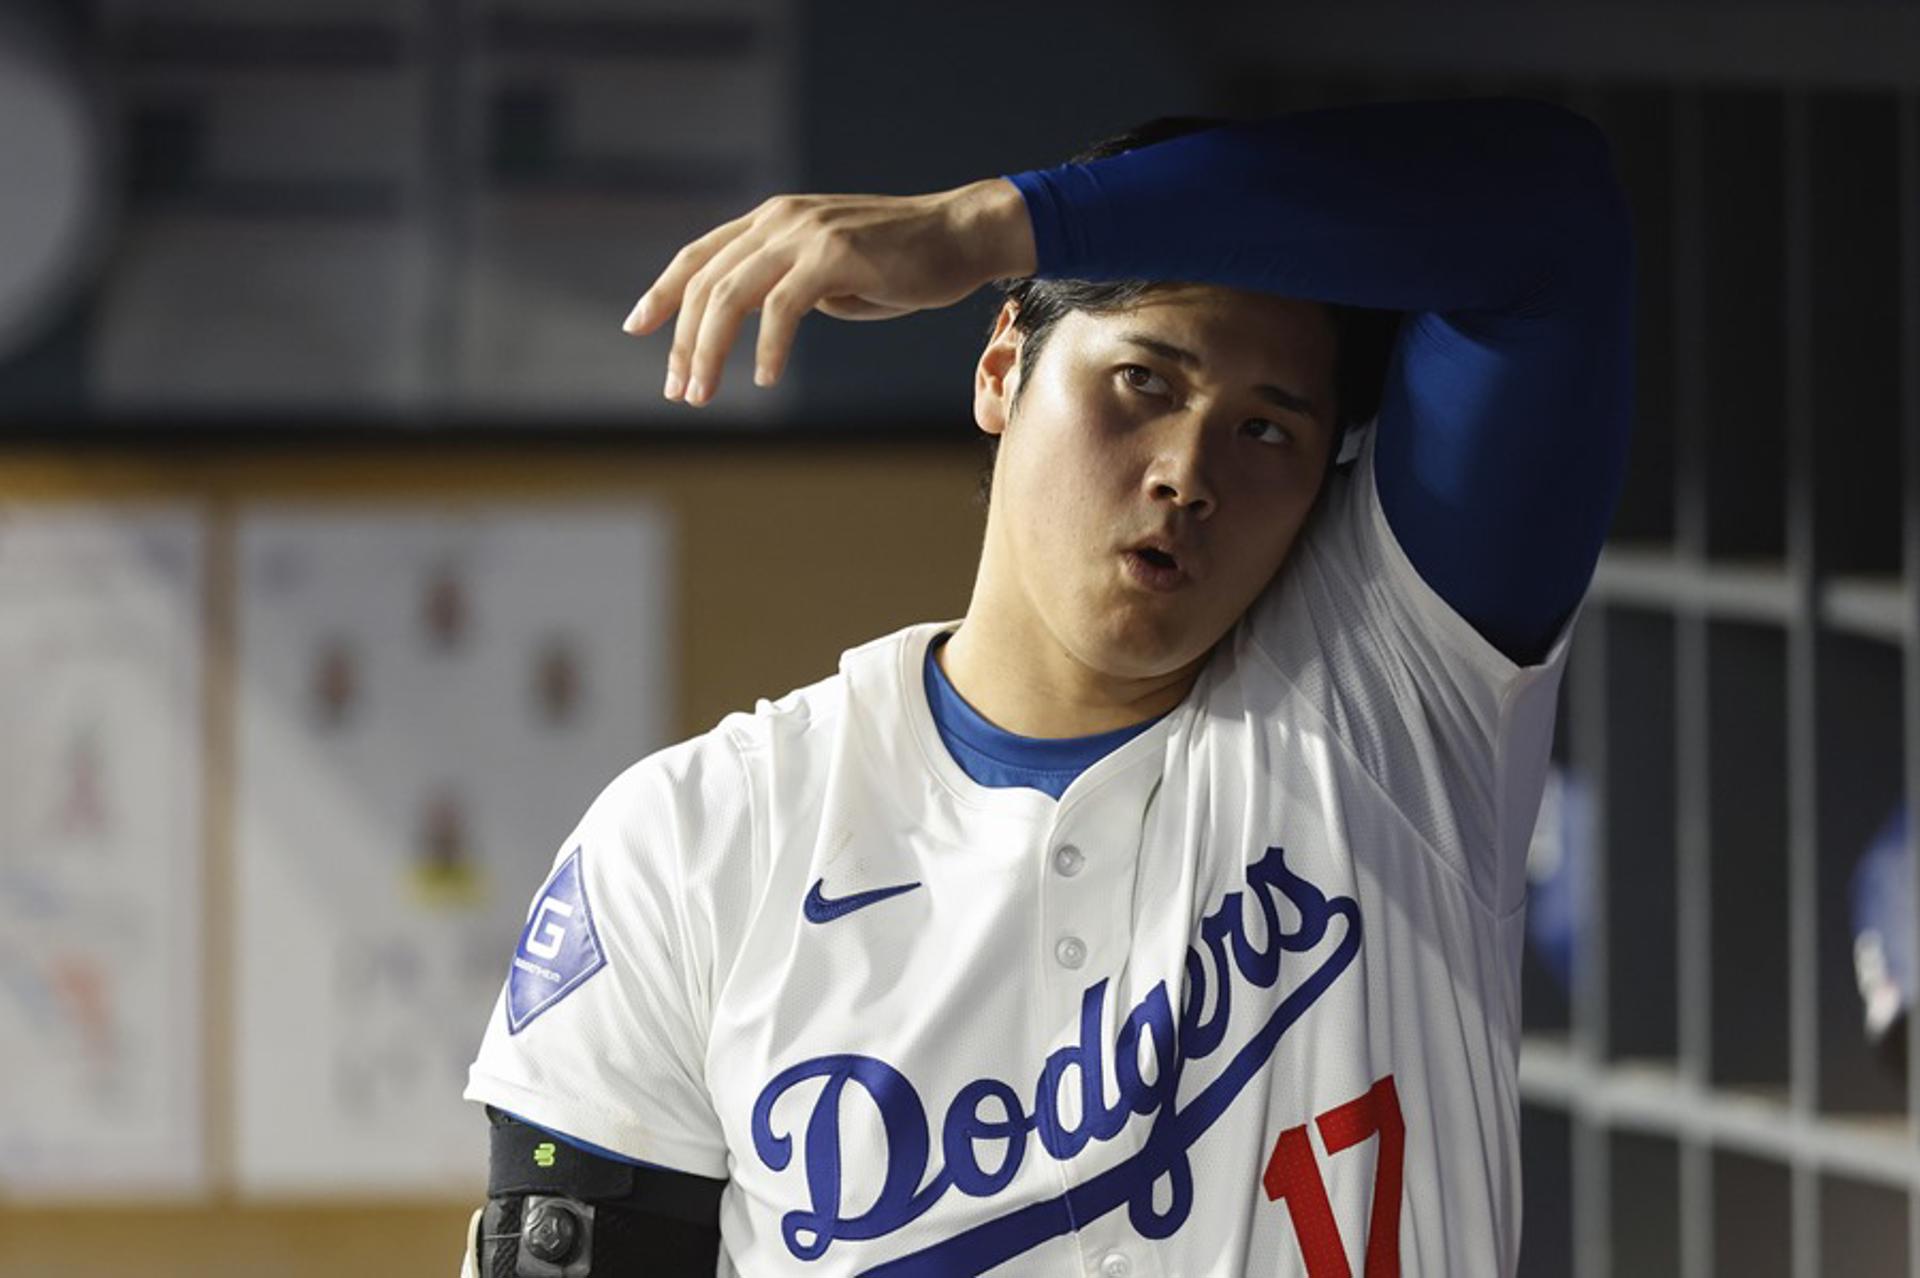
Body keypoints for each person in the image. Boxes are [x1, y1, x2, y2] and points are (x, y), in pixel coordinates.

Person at [460, 94, 1634, 1277]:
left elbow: (1553, 223)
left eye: (1266, 432)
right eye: (1143, 383)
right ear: (1003, 365)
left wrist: (988, 225)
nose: (1187, 473)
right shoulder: (697, 841)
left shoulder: (1391, 691)